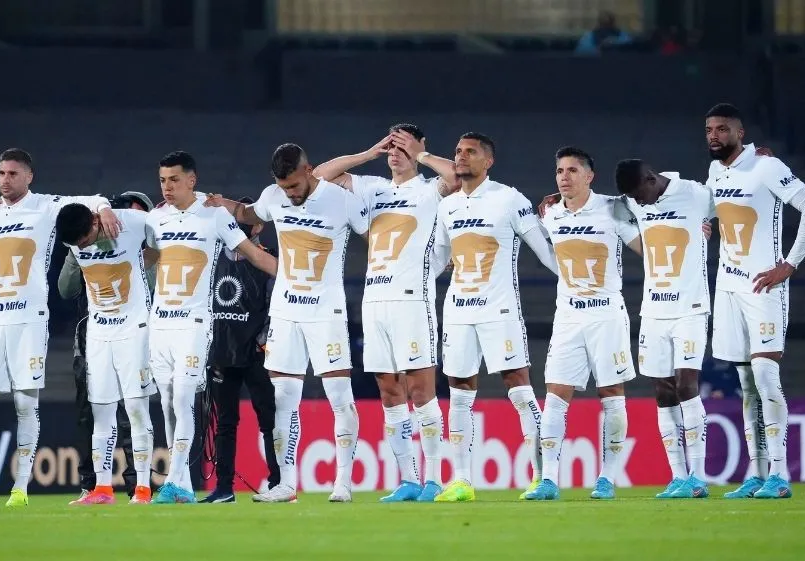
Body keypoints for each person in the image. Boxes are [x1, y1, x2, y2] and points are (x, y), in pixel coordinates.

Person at [0, 148, 119, 508]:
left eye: (13, 174)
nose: (5, 179)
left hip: (28, 320)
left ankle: (20, 489)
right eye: (1, 173)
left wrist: (104, 208)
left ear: (29, 177)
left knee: (24, 401)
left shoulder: (46, 206)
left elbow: (93, 198)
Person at [311, 124, 458, 502]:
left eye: (402, 145)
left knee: (421, 390)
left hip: (413, 300)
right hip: (374, 300)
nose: (396, 152)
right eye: (392, 145)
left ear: (420, 148)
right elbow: (317, 177)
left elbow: (456, 176)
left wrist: (420, 153)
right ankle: (408, 480)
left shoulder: (429, 190)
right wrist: (368, 153)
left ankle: (433, 479)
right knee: (389, 391)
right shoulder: (372, 188)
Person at [218, 143, 370, 503]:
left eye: (295, 186)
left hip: (326, 311)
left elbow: (374, 239)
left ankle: (343, 483)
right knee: (283, 399)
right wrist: (216, 203)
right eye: (284, 187)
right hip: (286, 310)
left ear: (309, 170)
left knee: (339, 397)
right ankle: (286, 484)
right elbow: (246, 212)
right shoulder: (273, 196)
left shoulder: (341, 200)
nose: (290, 194)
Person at [704, 103, 805, 499]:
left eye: (722, 129)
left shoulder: (766, 166)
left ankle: (779, 474)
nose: (714, 135)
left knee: (766, 376)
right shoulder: (714, 171)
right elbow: (710, 208)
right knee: (745, 383)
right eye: (709, 129)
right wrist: (706, 224)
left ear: (740, 132)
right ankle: (756, 474)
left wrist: (789, 264)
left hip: (764, 289)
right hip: (727, 288)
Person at [431, 133, 559, 503]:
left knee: (519, 389)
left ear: (488, 161)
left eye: (470, 152)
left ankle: (541, 477)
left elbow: (545, 251)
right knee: (458, 395)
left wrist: (574, 277)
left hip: (498, 309)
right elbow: (438, 259)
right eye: (457, 151)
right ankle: (461, 482)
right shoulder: (447, 206)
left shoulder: (509, 199)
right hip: (457, 310)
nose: (461, 156)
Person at [144, 151, 277, 504]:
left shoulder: (214, 214)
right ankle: (182, 482)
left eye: (174, 180)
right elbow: (145, 259)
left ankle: (173, 481)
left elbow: (251, 253)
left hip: (194, 323)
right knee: (170, 401)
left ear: (192, 180)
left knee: (186, 396)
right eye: (162, 180)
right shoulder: (155, 218)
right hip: (159, 324)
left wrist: (294, 274)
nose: (167, 187)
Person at [523, 147, 641, 502]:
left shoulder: (614, 207)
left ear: (590, 176)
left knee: (612, 396)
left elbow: (649, 245)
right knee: (556, 397)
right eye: (560, 170)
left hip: (607, 314)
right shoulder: (550, 214)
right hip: (569, 316)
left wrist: (689, 230)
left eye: (573, 170)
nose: (564, 177)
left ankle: (607, 478)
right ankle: (549, 481)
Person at [614, 159, 715, 499]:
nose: (637, 202)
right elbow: (598, 203)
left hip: (690, 308)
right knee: (662, 390)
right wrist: (557, 195)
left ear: (651, 178)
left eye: (638, 193)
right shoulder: (633, 199)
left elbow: (735, 204)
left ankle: (699, 477)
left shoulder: (695, 194)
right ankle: (678, 476)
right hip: (654, 310)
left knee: (687, 384)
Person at [56, 191, 157, 505]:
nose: (82, 247)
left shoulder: (133, 221)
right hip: (98, 332)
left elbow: (169, 235)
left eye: (85, 240)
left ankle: (142, 488)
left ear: (97, 223)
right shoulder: (75, 228)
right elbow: (44, 202)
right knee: (101, 411)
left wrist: (149, 261)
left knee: (137, 409)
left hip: (134, 329)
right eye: (77, 245)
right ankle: (102, 488)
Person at [199, 196, 281, 503]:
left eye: (247, 222)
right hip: (222, 350)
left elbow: (276, 303)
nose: (241, 227)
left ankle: (278, 482)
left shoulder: (269, 258)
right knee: (224, 423)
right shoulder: (213, 256)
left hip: (255, 351)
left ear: (259, 225)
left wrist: (264, 339)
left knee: (268, 419)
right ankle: (223, 488)